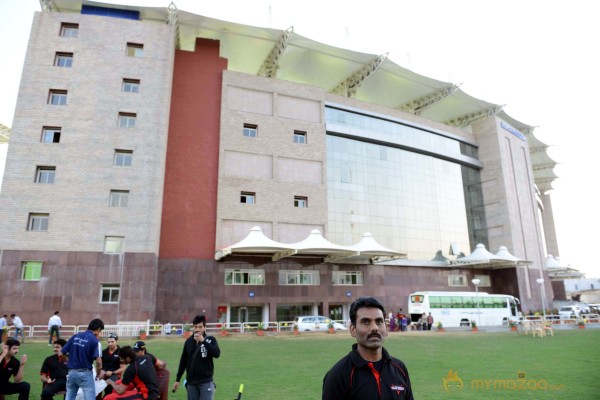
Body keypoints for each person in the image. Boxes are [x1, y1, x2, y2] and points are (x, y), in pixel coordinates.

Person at [322, 296, 413, 399]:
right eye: (365, 322)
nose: (374, 328)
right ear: (353, 329)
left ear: (386, 328)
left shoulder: (399, 368)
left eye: (379, 322)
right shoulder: (337, 376)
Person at [172, 314, 220, 400]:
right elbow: (183, 362)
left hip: (206, 382)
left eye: (200, 327)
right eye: (196, 327)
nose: (198, 329)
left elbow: (216, 354)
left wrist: (203, 341)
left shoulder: (211, 339)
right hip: (191, 383)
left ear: (205, 327)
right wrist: (177, 379)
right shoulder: (188, 342)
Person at [60, 318, 104, 400]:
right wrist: (98, 374)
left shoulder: (75, 336)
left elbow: (61, 353)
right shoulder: (95, 341)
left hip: (71, 373)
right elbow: (98, 361)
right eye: (100, 331)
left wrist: (68, 361)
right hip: (85, 374)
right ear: (98, 329)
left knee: (69, 398)